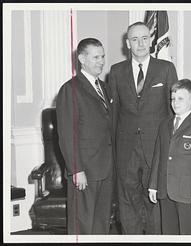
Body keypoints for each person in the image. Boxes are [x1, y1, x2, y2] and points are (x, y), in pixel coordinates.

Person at [109, 21, 178, 234]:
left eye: (145, 38)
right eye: (135, 39)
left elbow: (173, 112)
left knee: (155, 204)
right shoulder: (116, 71)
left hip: (156, 148)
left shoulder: (166, 69)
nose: (140, 43)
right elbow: (114, 115)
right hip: (126, 150)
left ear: (151, 41)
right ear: (127, 44)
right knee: (128, 203)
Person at [56, 38, 114, 234]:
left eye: (103, 56)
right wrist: (76, 169)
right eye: (96, 57)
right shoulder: (70, 89)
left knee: (101, 223)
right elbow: (66, 134)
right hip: (84, 171)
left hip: (105, 169)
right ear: (82, 58)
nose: (101, 61)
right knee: (82, 225)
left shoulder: (104, 88)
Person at [148, 79, 191, 235]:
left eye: (180, 98)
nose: (175, 103)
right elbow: (158, 157)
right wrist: (153, 185)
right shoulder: (164, 124)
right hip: (165, 190)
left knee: (187, 232)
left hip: (187, 193)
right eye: (173, 99)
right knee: (168, 232)